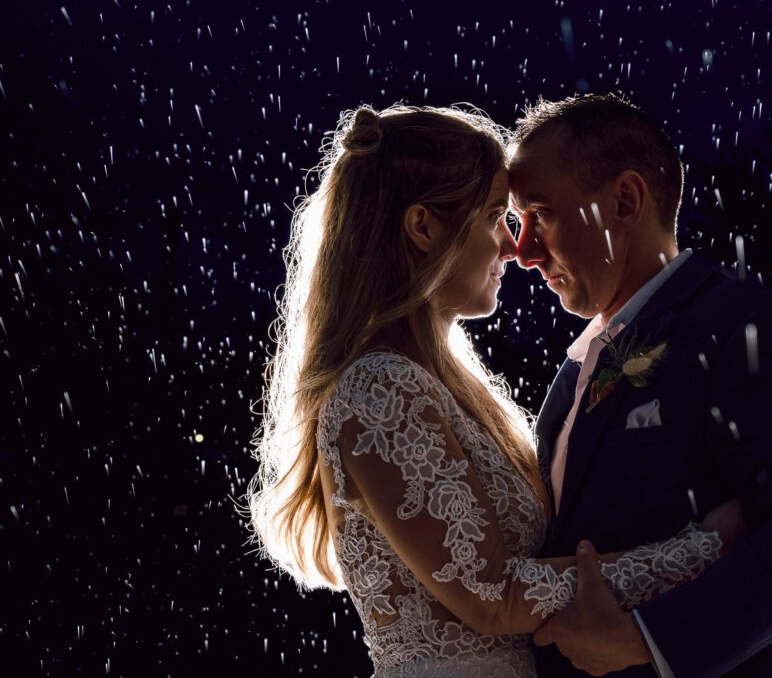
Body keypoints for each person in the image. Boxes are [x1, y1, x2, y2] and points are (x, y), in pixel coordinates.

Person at [245, 104, 745, 678]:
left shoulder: (433, 382)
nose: (513, 247)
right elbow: (493, 595)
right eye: (493, 218)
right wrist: (699, 550)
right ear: (423, 227)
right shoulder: (381, 388)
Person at [507, 94, 772, 677]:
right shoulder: (576, 368)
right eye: (518, 223)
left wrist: (644, 640)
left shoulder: (746, 326)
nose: (522, 252)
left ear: (624, 200)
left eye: (540, 214)